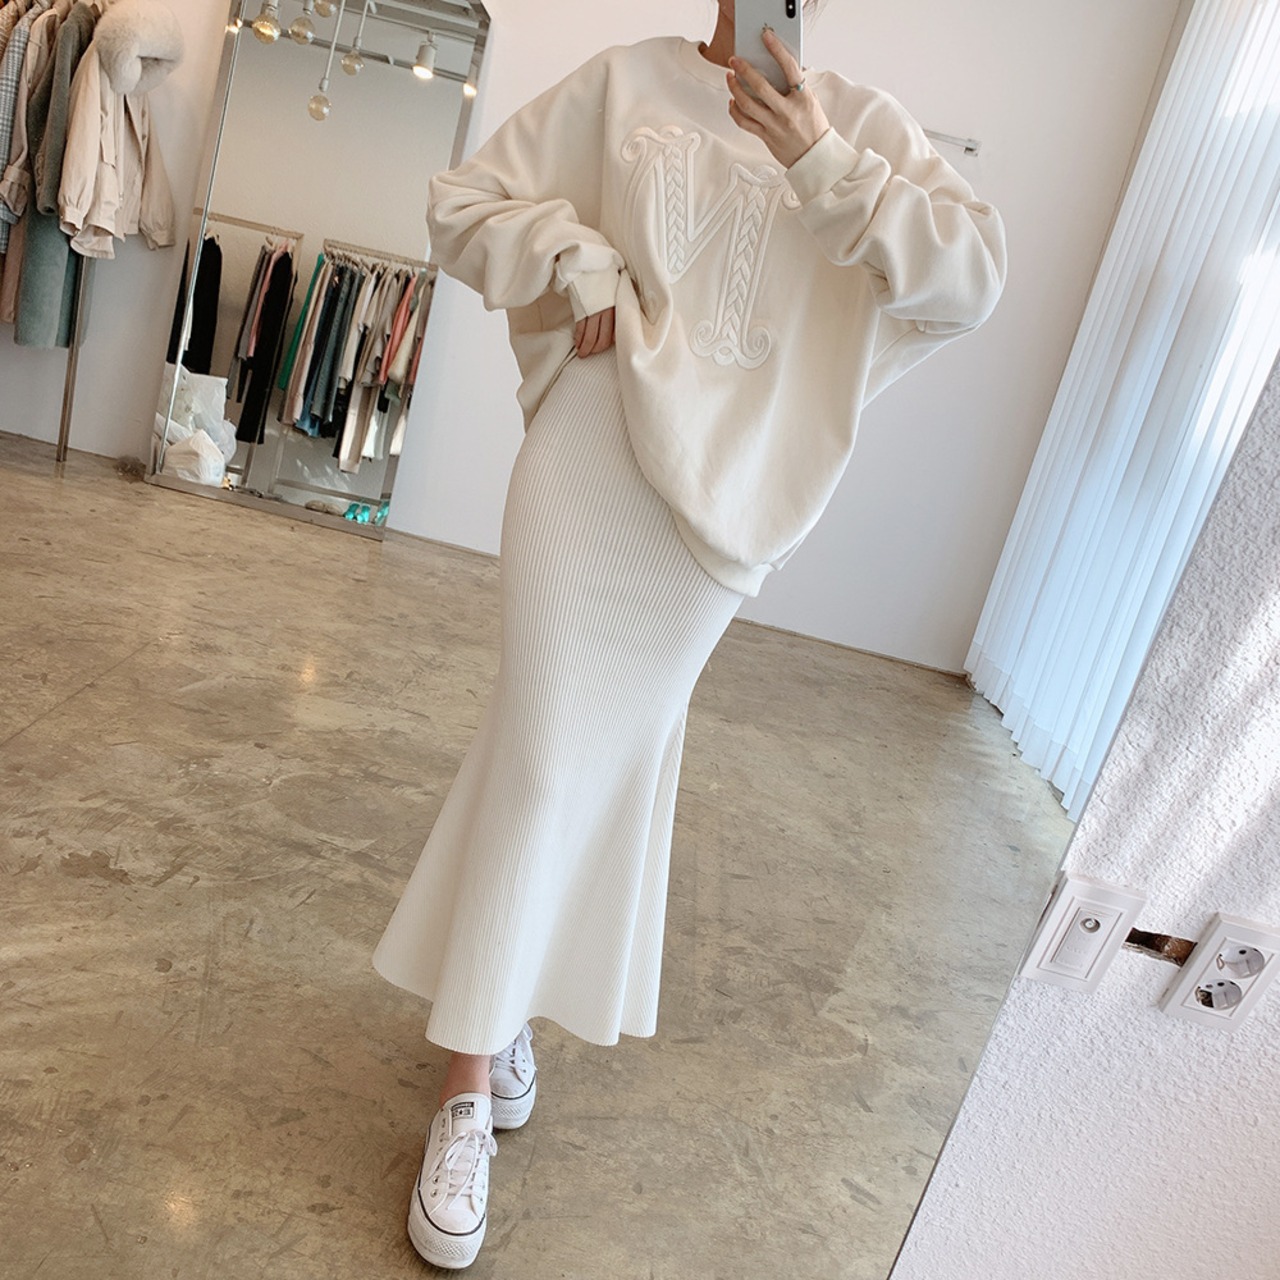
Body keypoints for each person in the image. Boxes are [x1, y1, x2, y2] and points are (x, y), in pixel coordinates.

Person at [372, 0, 1007, 1268]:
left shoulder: (864, 126)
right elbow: (461, 203)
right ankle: (464, 1083)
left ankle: (502, 1002)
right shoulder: (625, 83)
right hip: (588, 455)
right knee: (543, 758)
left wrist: (822, 160)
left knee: (586, 763)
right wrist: (577, 256)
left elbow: (969, 281)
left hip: (722, 511)